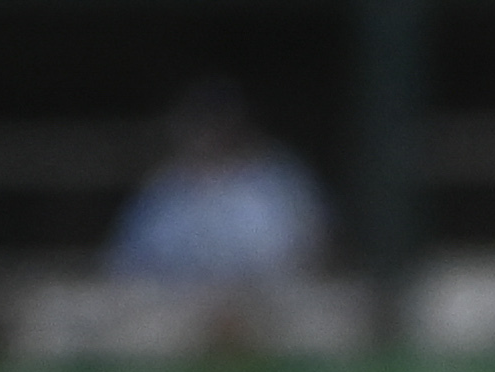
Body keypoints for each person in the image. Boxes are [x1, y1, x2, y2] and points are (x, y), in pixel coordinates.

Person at [107, 83, 329, 295]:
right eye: (199, 122)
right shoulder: (163, 190)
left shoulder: (279, 178)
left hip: (272, 304)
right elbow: (126, 265)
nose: (209, 132)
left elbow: (317, 254)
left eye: (219, 121)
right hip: (176, 308)